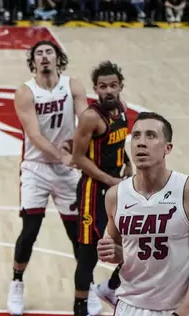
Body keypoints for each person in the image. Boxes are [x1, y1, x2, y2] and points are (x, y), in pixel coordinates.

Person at [98, 112, 189, 316]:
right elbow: (119, 252)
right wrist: (110, 252)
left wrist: (182, 313)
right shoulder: (115, 196)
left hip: (175, 310)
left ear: (167, 148)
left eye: (151, 135)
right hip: (128, 307)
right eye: (135, 136)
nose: (141, 143)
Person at [7, 40, 89, 315]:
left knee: (77, 235)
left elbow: (85, 121)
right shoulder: (25, 92)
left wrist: (78, 148)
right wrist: (64, 156)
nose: (44, 57)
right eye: (38, 54)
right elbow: (35, 135)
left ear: (57, 58)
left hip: (66, 170)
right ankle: (16, 282)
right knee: (30, 231)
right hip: (36, 167)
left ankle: (85, 290)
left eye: (48, 52)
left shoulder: (73, 85)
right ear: (33, 61)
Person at [70, 61, 133, 316]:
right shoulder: (90, 117)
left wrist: (127, 162)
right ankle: (80, 307)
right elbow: (78, 157)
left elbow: (117, 145)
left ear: (120, 87)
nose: (109, 90)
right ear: (95, 88)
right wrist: (110, 180)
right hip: (92, 192)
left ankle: (110, 287)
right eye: (103, 86)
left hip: (116, 188)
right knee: (88, 254)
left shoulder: (123, 109)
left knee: (130, 243)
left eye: (113, 85)